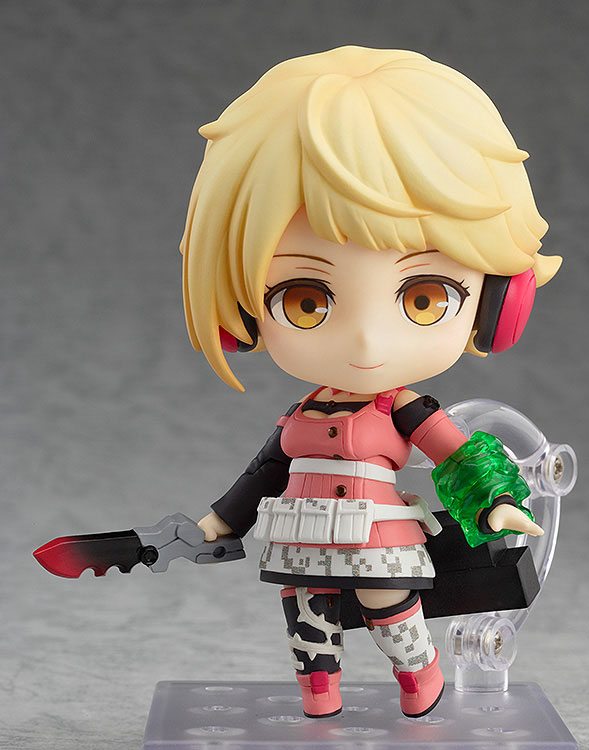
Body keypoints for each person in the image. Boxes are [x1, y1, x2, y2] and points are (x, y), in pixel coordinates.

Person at [179, 46, 561, 719]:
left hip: (380, 536)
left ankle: (420, 676)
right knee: (307, 622)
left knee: (391, 611)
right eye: (305, 301)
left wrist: (496, 503)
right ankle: (318, 695)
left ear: (499, 301)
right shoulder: (299, 416)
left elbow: (459, 455)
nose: (364, 341)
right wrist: (218, 520)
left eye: (423, 298)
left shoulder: (403, 408)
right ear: (240, 312)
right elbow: (261, 474)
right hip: (302, 538)